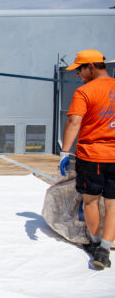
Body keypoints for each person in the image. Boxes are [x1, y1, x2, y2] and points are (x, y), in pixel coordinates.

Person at [59, 49, 115, 270]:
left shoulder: (85, 91)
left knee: (91, 201)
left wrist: (64, 152)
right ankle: (106, 247)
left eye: (80, 70)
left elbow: (74, 122)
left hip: (92, 156)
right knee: (112, 204)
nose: (78, 75)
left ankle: (94, 243)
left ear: (91, 67)